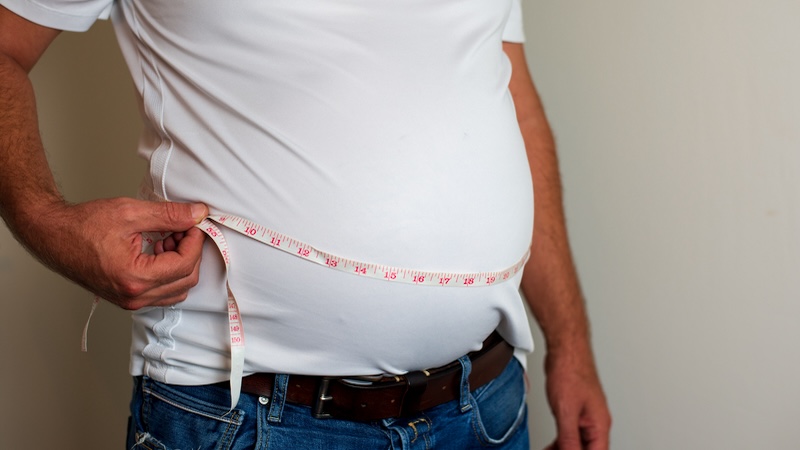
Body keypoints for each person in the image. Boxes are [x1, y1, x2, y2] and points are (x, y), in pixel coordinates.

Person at [0, 1, 610, 448]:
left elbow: (510, 93)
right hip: (251, 416)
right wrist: (47, 219)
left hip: (485, 405)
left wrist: (570, 343)